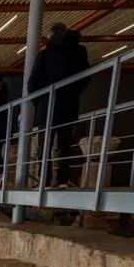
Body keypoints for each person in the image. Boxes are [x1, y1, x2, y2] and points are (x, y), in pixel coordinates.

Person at [28, 23, 90, 188]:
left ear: (51, 35)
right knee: (65, 145)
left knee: (44, 147)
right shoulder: (79, 52)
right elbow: (85, 77)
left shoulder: (45, 54)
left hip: (46, 107)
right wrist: (72, 94)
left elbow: (32, 83)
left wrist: (39, 102)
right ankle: (63, 180)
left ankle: (44, 181)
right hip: (68, 105)